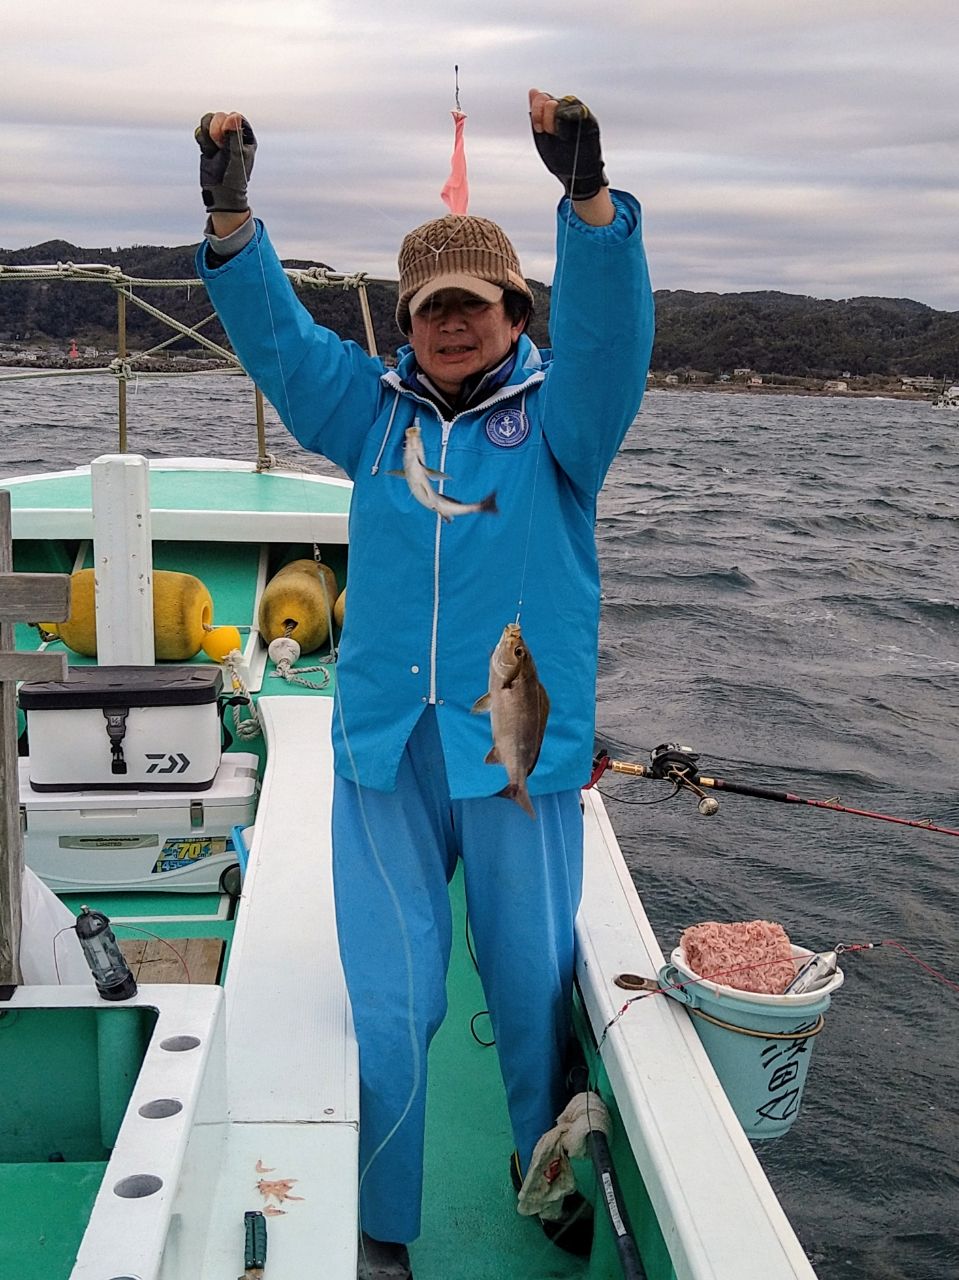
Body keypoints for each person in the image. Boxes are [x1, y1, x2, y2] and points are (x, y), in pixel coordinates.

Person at [195, 89, 654, 1280]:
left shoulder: (565, 423)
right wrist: (235, 226)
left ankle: (534, 1161)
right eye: (431, 309)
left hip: (514, 759)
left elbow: (609, 339)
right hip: (387, 750)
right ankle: (382, 1225)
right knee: (391, 1006)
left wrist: (588, 205)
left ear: (513, 311)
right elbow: (285, 349)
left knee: (523, 981)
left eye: (474, 305)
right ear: (407, 322)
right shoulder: (369, 412)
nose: (452, 326)